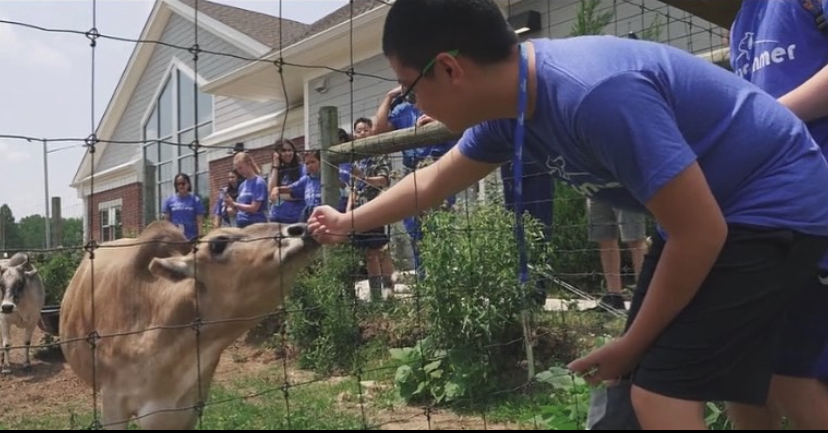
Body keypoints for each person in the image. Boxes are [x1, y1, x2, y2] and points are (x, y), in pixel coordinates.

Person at [307, 0, 828, 429]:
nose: (408, 102)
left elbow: (701, 233)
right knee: (777, 376)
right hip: (726, 208)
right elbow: (436, 179)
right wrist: (350, 221)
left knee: (657, 387)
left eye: (406, 88)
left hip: (769, 203)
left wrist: (631, 345)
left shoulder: (592, 94)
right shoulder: (513, 108)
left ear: (448, 67)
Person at [726, 0, 828, 429]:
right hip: (767, 219)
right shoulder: (742, 21)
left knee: (794, 375)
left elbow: (756, 116)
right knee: (740, 370)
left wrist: (765, 119)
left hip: (814, 211)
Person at [161, 173, 205, 241]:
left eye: (183, 183)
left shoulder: (195, 200)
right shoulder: (169, 201)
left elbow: (199, 221)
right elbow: (166, 222)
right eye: (178, 184)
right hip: (175, 239)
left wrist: (200, 237)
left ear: (188, 184)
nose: (181, 186)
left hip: (192, 238)